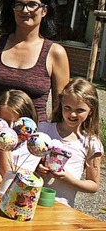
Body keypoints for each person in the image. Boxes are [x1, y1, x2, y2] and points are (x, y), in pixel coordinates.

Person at [0, 0, 70, 129]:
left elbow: (61, 108)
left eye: (32, 4)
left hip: (31, 146)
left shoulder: (55, 53)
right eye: (20, 4)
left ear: (44, 10)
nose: (25, 10)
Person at [37, 78, 102, 207]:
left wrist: (69, 179)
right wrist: (38, 167)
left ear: (91, 111)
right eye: (68, 108)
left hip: (62, 208)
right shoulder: (43, 130)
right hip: (33, 199)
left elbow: (93, 185)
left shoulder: (91, 143)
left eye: (80, 110)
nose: (72, 114)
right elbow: (25, 161)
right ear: (61, 104)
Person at [0, 90, 39, 184]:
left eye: (17, 124)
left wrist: (5, 146)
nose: (10, 128)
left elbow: (10, 178)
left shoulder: (30, 149)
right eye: (5, 122)